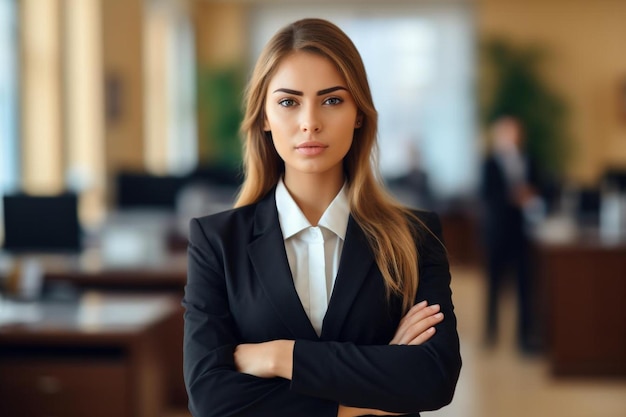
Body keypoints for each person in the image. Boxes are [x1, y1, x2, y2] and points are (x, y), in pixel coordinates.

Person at [183, 18, 461, 417]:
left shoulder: (415, 236)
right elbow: (210, 399)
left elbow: (433, 377)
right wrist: (371, 395)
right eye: (288, 102)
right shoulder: (216, 242)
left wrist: (281, 357)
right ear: (264, 117)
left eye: (332, 100)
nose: (309, 121)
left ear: (359, 114)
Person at [480, 114, 542, 352]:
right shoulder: (490, 163)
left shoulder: (530, 160)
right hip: (497, 232)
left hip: (523, 233)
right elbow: (487, 195)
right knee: (494, 284)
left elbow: (540, 187)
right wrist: (513, 197)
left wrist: (531, 195)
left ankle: (524, 336)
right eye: (507, 132)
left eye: (515, 131)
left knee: (524, 286)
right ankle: (490, 332)